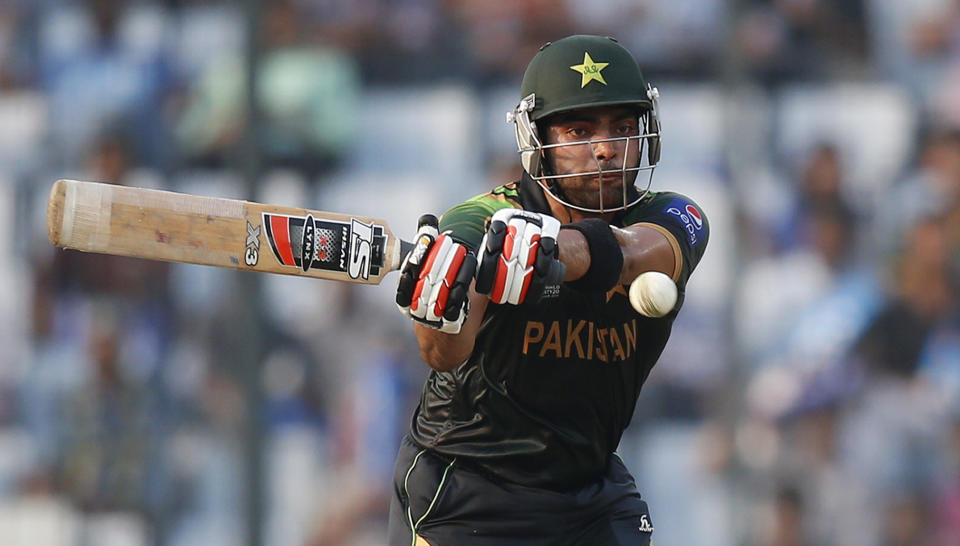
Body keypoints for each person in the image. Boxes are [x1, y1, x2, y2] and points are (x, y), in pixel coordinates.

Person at [390, 35, 709, 545]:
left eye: (622, 128)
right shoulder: (479, 220)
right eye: (579, 130)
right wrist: (438, 312)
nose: (605, 149)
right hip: (469, 488)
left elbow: (640, 252)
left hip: (590, 491)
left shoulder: (674, 214)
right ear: (535, 139)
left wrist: (554, 251)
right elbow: (443, 353)